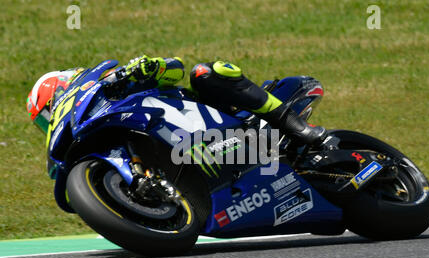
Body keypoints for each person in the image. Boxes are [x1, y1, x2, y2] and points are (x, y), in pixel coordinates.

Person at [27, 55, 327, 145]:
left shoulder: (113, 87)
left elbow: (175, 68)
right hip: (186, 149)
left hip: (216, 118)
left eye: (48, 110)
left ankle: (289, 121)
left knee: (205, 72)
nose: (50, 120)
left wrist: (149, 67)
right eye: (44, 120)